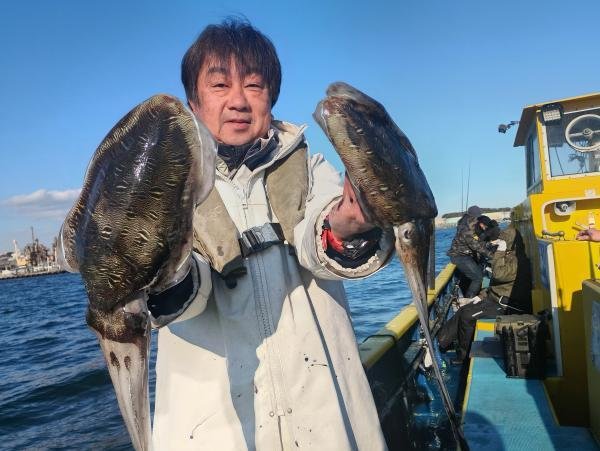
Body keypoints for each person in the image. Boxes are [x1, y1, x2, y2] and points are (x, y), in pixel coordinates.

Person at [148, 19, 395, 450]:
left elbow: (320, 237)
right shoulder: (166, 188)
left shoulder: (311, 167)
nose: (238, 101)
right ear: (194, 103)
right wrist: (162, 268)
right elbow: (185, 298)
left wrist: (345, 226)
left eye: (254, 85)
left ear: (272, 96)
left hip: (326, 418)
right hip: (211, 431)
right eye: (219, 85)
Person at [439, 223, 532, 364]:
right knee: (464, 309)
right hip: (493, 299)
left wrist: (500, 251)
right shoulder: (507, 257)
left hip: (506, 305)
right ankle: (442, 342)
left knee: (467, 316)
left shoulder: (519, 261)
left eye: (503, 240)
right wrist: (479, 296)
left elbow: (499, 275)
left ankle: (463, 357)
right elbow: (495, 283)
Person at [447, 206, 495, 301]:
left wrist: (488, 244)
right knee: (478, 278)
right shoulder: (466, 228)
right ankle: (469, 300)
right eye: (478, 217)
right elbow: (476, 246)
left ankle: (474, 296)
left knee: (478, 273)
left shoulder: (470, 224)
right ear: (474, 216)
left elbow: (478, 241)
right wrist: (493, 256)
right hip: (459, 256)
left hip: (466, 255)